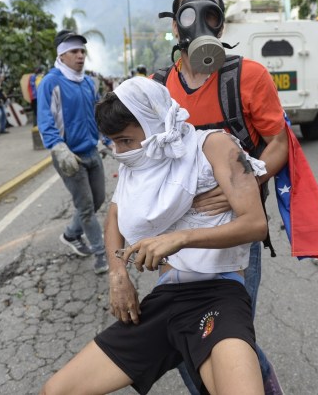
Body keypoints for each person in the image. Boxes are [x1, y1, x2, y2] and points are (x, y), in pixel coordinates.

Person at [40, 76, 268, 395]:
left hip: (217, 293)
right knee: (57, 390)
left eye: (126, 141)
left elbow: (255, 224)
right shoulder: (138, 163)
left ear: (153, 123)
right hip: (163, 300)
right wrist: (118, 276)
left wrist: (182, 237)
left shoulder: (214, 146)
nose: (121, 151)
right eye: (114, 143)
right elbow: (114, 219)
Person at [153, 0, 288, 394]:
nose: (199, 24)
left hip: (235, 232)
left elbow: (278, 141)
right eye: (188, 15)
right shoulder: (159, 86)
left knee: (226, 327)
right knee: (184, 326)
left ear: (220, 21)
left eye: (209, 14)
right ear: (176, 28)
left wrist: (245, 184)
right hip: (176, 231)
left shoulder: (249, 76)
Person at [37, 30, 110, 275]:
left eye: (82, 51)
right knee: (87, 207)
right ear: (62, 55)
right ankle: (100, 254)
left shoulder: (88, 82)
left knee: (98, 199)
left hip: (92, 152)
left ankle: (70, 234)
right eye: (74, 52)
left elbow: (98, 114)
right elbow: (45, 119)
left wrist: (107, 139)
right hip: (70, 157)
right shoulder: (51, 81)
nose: (80, 56)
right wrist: (58, 148)